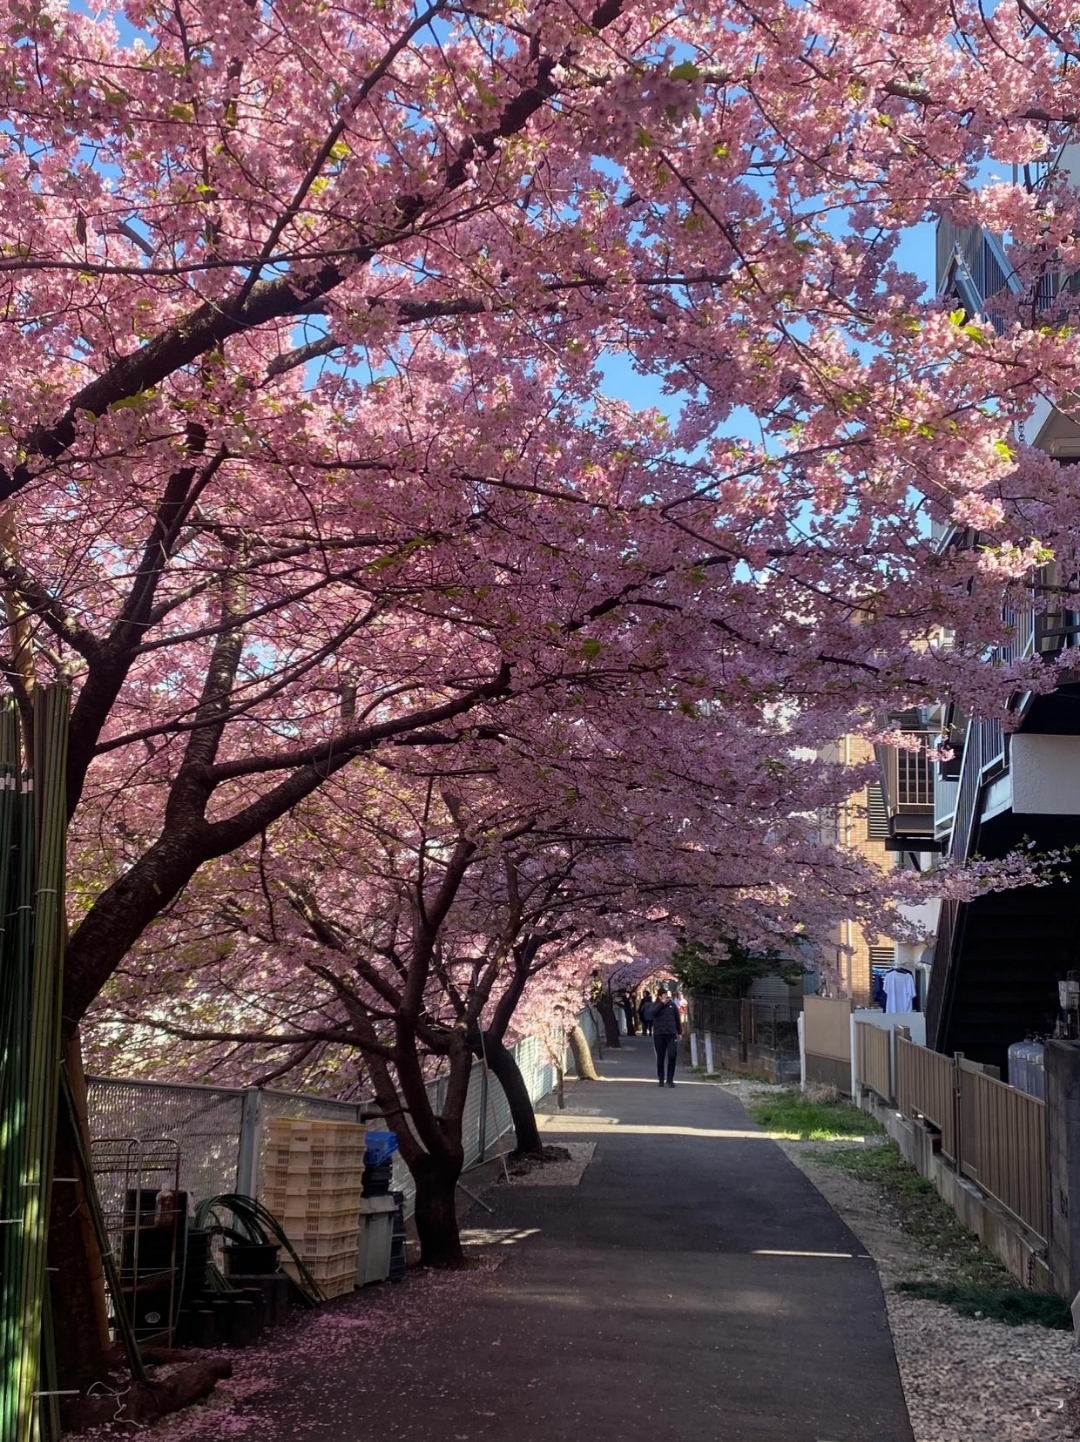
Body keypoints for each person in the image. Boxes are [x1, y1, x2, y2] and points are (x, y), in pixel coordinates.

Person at [651, 985, 682, 1087]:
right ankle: (661, 1078)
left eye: (668, 997)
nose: (667, 998)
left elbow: (677, 1019)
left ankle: (670, 1079)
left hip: (671, 1034)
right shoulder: (655, 1005)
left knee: (672, 1055)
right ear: (660, 997)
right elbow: (653, 1013)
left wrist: (679, 1032)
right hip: (659, 1034)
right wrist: (661, 1004)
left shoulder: (672, 1006)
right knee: (661, 1057)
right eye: (665, 996)